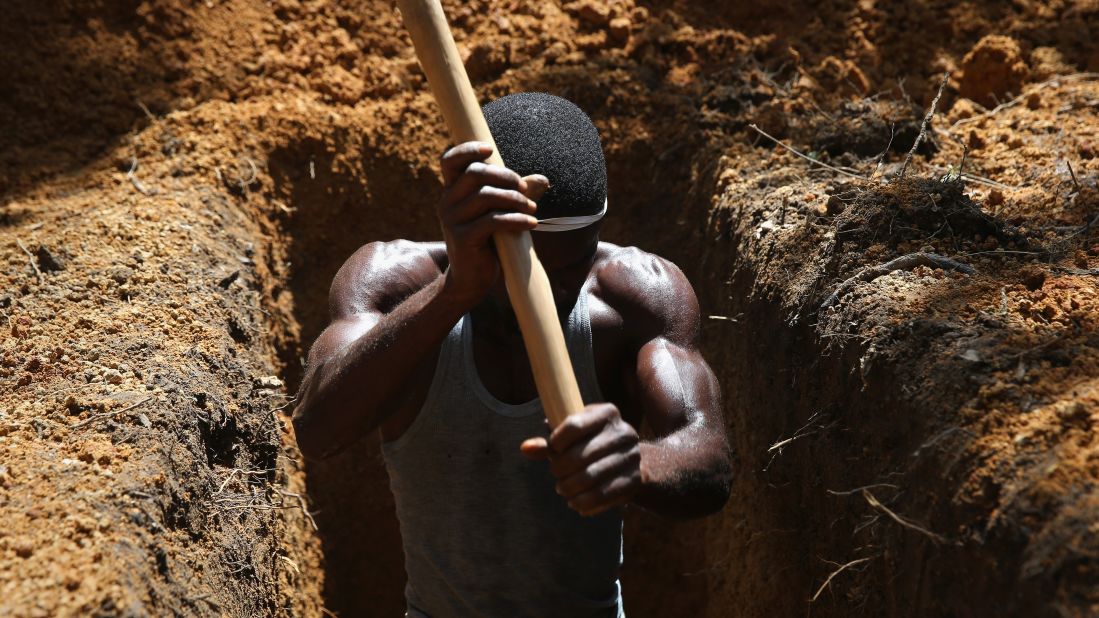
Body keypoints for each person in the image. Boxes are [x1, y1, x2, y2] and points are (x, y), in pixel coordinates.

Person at [292, 92, 731, 617]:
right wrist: (455, 292)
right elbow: (317, 429)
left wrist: (636, 464)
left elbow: (709, 459)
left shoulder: (635, 297)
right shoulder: (393, 283)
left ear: (596, 237)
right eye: (517, 270)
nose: (540, 293)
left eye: (564, 273)